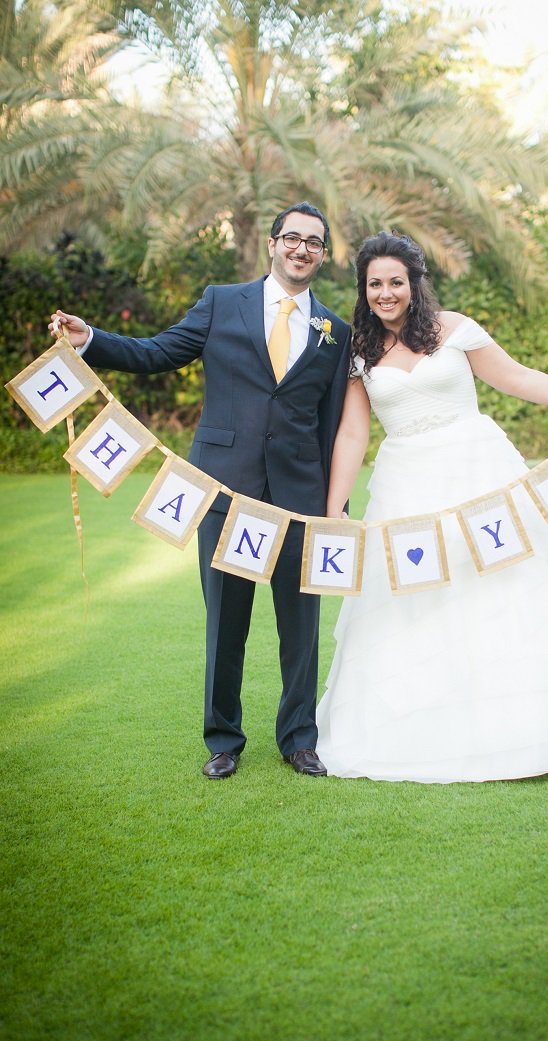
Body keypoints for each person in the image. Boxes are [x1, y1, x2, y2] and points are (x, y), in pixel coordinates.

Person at [315, 231, 548, 783]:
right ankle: (424, 731)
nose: (386, 293)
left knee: (503, 587)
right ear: (363, 289)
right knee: (416, 597)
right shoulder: (360, 352)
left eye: (396, 282)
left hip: (479, 469)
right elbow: (352, 433)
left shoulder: (454, 329)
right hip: (406, 483)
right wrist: (334, 507)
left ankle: (523, 732)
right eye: (374, 284)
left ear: (415, 284)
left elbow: (518, 378)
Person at [50, 202, 352, 779]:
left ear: (322, 255)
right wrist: (91, 339)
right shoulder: (221, 301)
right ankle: (224, 740)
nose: (302, 249)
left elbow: (332, 421)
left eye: (314, 242)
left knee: (301, 625)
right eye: (292, 238)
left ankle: (299, 739)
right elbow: (158, 352)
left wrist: (331, 503)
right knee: (225, 622)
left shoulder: (335, 331)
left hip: (299, 498)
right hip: (223, 488)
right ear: (272, 244)